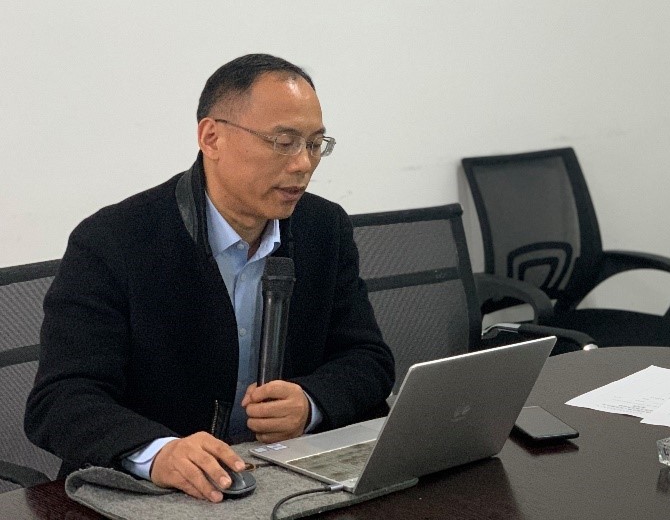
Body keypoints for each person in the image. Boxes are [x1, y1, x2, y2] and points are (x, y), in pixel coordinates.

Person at [25, 54, 395, 502]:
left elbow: (367, 358)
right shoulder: (114, 240)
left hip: (283, 478)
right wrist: (157, 452)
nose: (303, 164)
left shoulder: (323, 227)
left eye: (316, 144)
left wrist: (311, 403)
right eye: (284, 142)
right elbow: (60, 399)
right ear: (212, 137)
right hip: (156, 495)